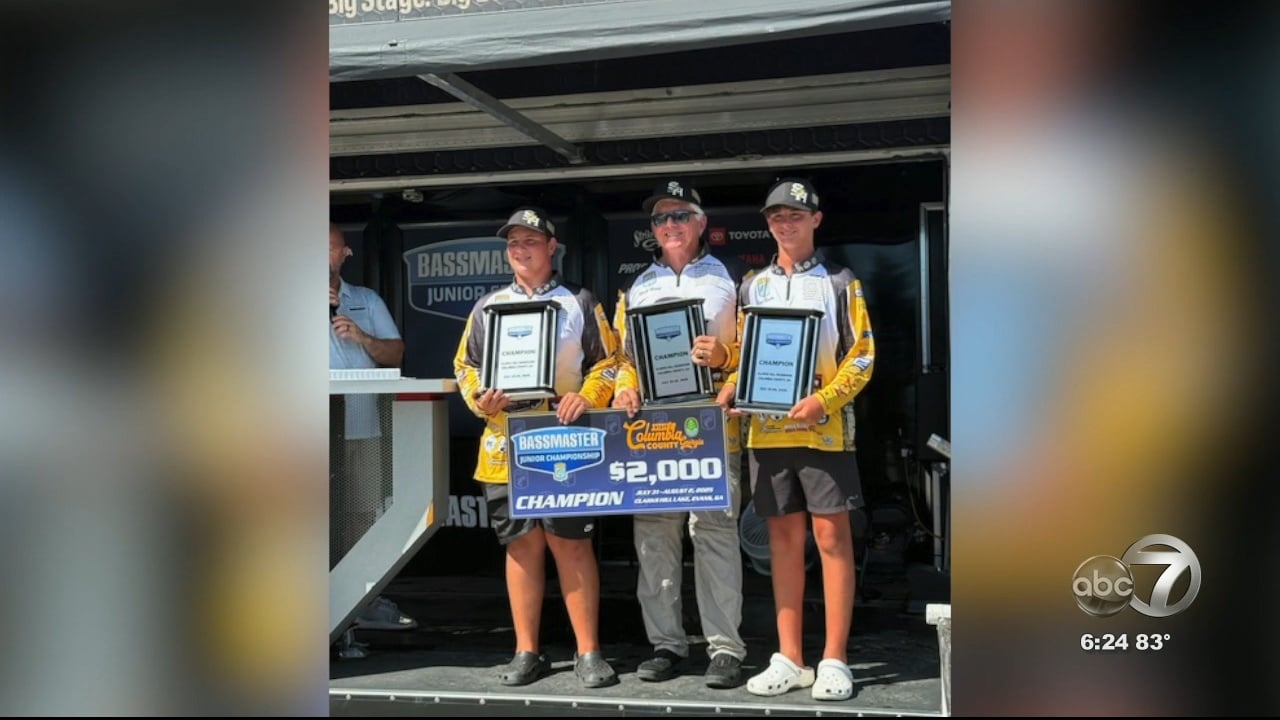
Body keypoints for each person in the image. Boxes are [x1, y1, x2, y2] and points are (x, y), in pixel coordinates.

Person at [718, 179, 875, 701]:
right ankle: (789, 657)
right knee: (781, 544)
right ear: (767, 224)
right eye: (776, 217)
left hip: (823, 432)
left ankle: (834, 659)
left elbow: (862, 355)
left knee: (832, 541)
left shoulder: (840, 281)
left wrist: (824, 401)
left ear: (816, 220)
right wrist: (731, 383)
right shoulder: (752, 285)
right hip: (766, 433)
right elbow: (743, 357)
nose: (785, 224)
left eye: (795, 215)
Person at [453, 207, 620, 688]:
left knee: (571, 544)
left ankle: (589, 651)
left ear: (552, 248)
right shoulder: (488, 306)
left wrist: (587, 397)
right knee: (521, 547)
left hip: (563, 440)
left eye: (530, 241)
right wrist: (480, 400)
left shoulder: (579, 301)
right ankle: (527, 650)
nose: (521, 249)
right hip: (504, 444)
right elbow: (465, 366)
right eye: (513, 243)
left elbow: (608, 362)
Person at [610, 179, 749, 688]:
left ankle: (725, 648)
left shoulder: (733, 279)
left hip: (710, 421)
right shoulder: (637, 287)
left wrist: (727, 359)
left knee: (714, 533)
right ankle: (666, 643)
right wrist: (624, 388)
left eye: (680, 215)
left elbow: (754, 347)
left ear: (701, 223)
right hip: (652, 426)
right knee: (654, 534)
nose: (669, 225)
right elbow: (623, 357)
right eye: (660, 219)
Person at [329, 222, 416, 632]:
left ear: (345, 253)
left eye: (328, 248)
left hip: (361, 425)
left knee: (361, 514)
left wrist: (362, 336)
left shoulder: (364, 300)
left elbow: (396, 354)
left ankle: (361, 599)